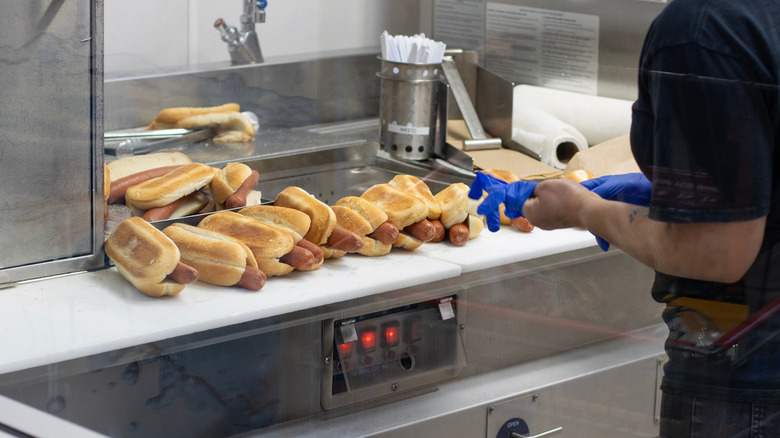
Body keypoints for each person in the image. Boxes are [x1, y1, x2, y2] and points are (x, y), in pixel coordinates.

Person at [470, 0, 780, 436]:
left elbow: (715, 253)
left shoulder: (700, 32)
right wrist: (675, 193)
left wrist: (585, 210)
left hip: (747, 368)